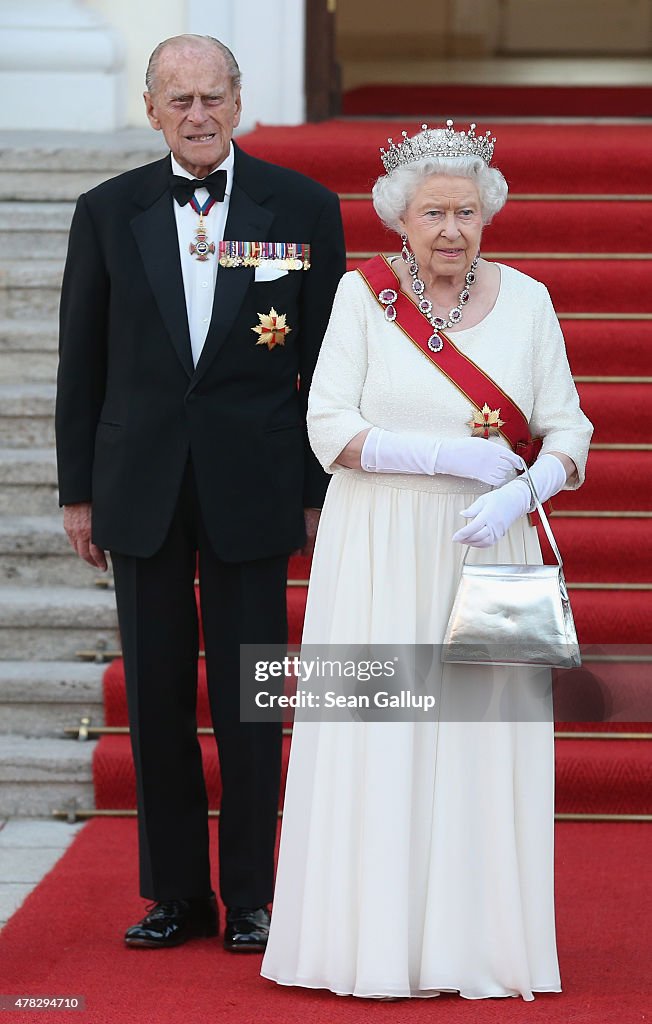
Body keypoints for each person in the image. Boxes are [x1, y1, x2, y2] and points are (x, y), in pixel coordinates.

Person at [261, 122, 593, 999]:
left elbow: (569, 429)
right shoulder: (358, 297)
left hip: (491, 547)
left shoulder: (528, 300)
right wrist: (446, 457)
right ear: (399, 222)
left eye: (468, 212)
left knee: (487, 746)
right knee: (381, 739)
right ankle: (366, 945)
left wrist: (525, 491)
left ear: (489, 216)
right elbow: (327, 426)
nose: (453, 229)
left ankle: (475, 947)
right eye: (434, 213)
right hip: (378, 548)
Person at [55, 34, 345, 952]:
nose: (197, 115)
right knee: (157, 699)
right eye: (178, 100)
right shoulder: (107, 211)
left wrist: (312, 488)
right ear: (152, 109)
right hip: (137, 485)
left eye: (211, 97)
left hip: (253, 485)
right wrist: (77, 493)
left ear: (239, 98)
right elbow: (81, 363)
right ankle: (176, 893)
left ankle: (256, 896)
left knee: (255, 699)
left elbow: (327, 368)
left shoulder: (301, 207)